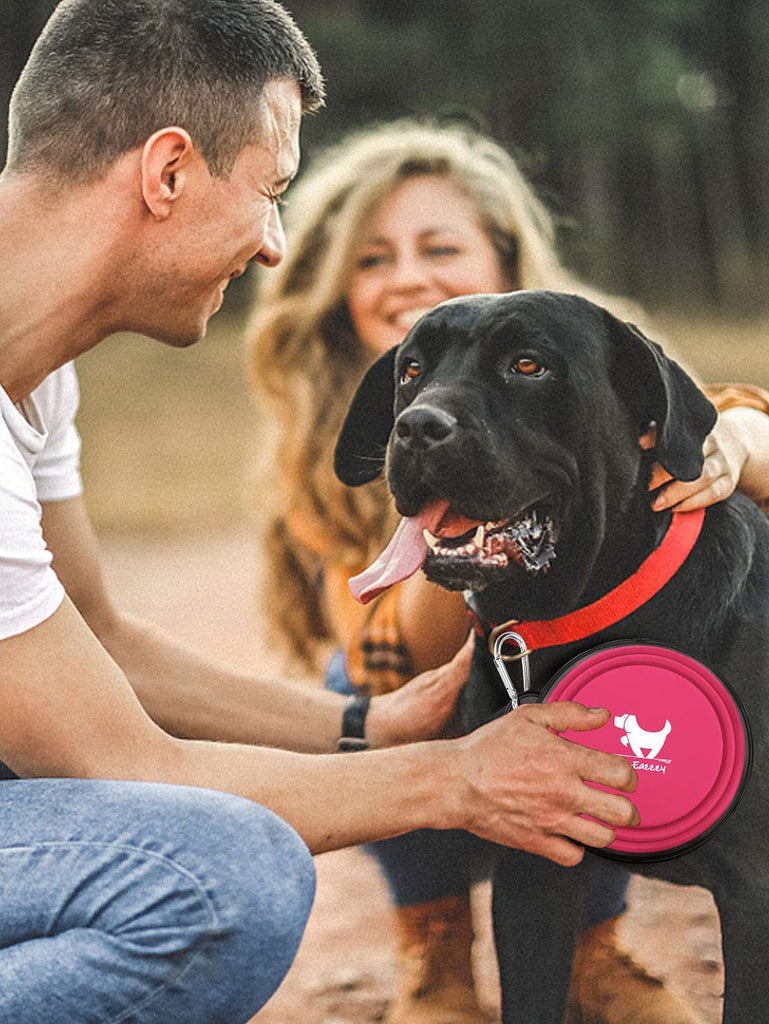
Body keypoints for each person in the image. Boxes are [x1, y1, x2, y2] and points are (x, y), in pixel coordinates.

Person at [0, 5, 646, 1023]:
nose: (273, 245)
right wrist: (457, 778)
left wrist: (367, 725)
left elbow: (101, 638)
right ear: (168, 172)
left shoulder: (38, 371)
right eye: (271, 192)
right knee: (220, 877)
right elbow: (126, 763)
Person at [248, 118, 769, 1024]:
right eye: (373, 259)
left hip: (590, 674)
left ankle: (590, 949)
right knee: (361, 683)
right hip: (435, 699)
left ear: (505, 253)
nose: (408, 276)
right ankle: (438, 948)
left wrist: (744, 437)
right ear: (335, 288)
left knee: (614, 661)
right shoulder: (333, 434)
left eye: (440, 247)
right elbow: (382, 651)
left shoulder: (575, 351)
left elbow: (726, 431)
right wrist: (461, 527)